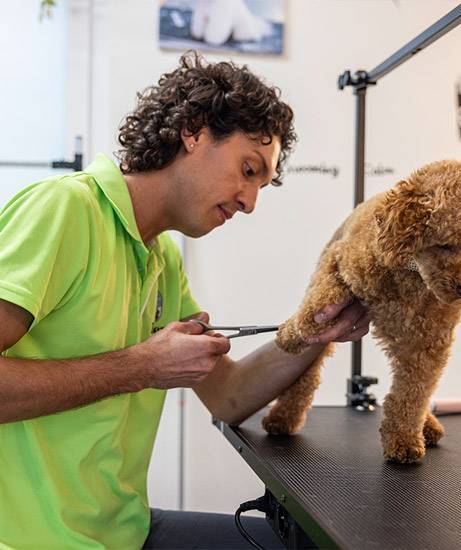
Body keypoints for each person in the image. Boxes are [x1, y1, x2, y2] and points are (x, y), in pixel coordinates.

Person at [0, 52, 369, 549]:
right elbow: (146, 368)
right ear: (193, 131)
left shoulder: (161, 259)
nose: (250, 201)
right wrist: (143, 367)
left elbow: (228, 395)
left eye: (260, 185)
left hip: (124, 531)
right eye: (247, 169)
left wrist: (312, 333)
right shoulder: (65, 210)